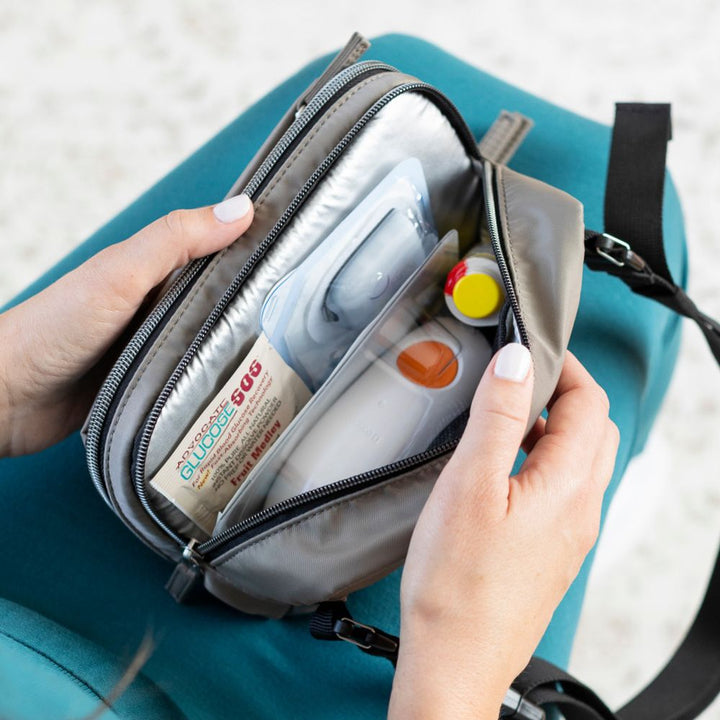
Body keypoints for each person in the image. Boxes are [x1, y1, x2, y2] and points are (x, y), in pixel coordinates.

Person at [0, 196, 618, 719]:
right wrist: (461, 671)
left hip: (52, 470)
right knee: (614, 294)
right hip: (267, 643)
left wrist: (9, 390)